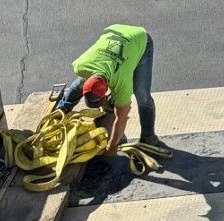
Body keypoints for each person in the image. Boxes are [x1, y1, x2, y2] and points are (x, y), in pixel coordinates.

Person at [53, 26, 157, 156]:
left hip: (140, 39)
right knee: (77, 84)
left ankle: (149, 137)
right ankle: (61, 109)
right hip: (115, 31)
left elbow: (121, 118)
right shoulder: (81, 66)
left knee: (143, 96)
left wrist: (112, 145)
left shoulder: (122, 83)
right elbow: (77, 87)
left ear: (108, 88)